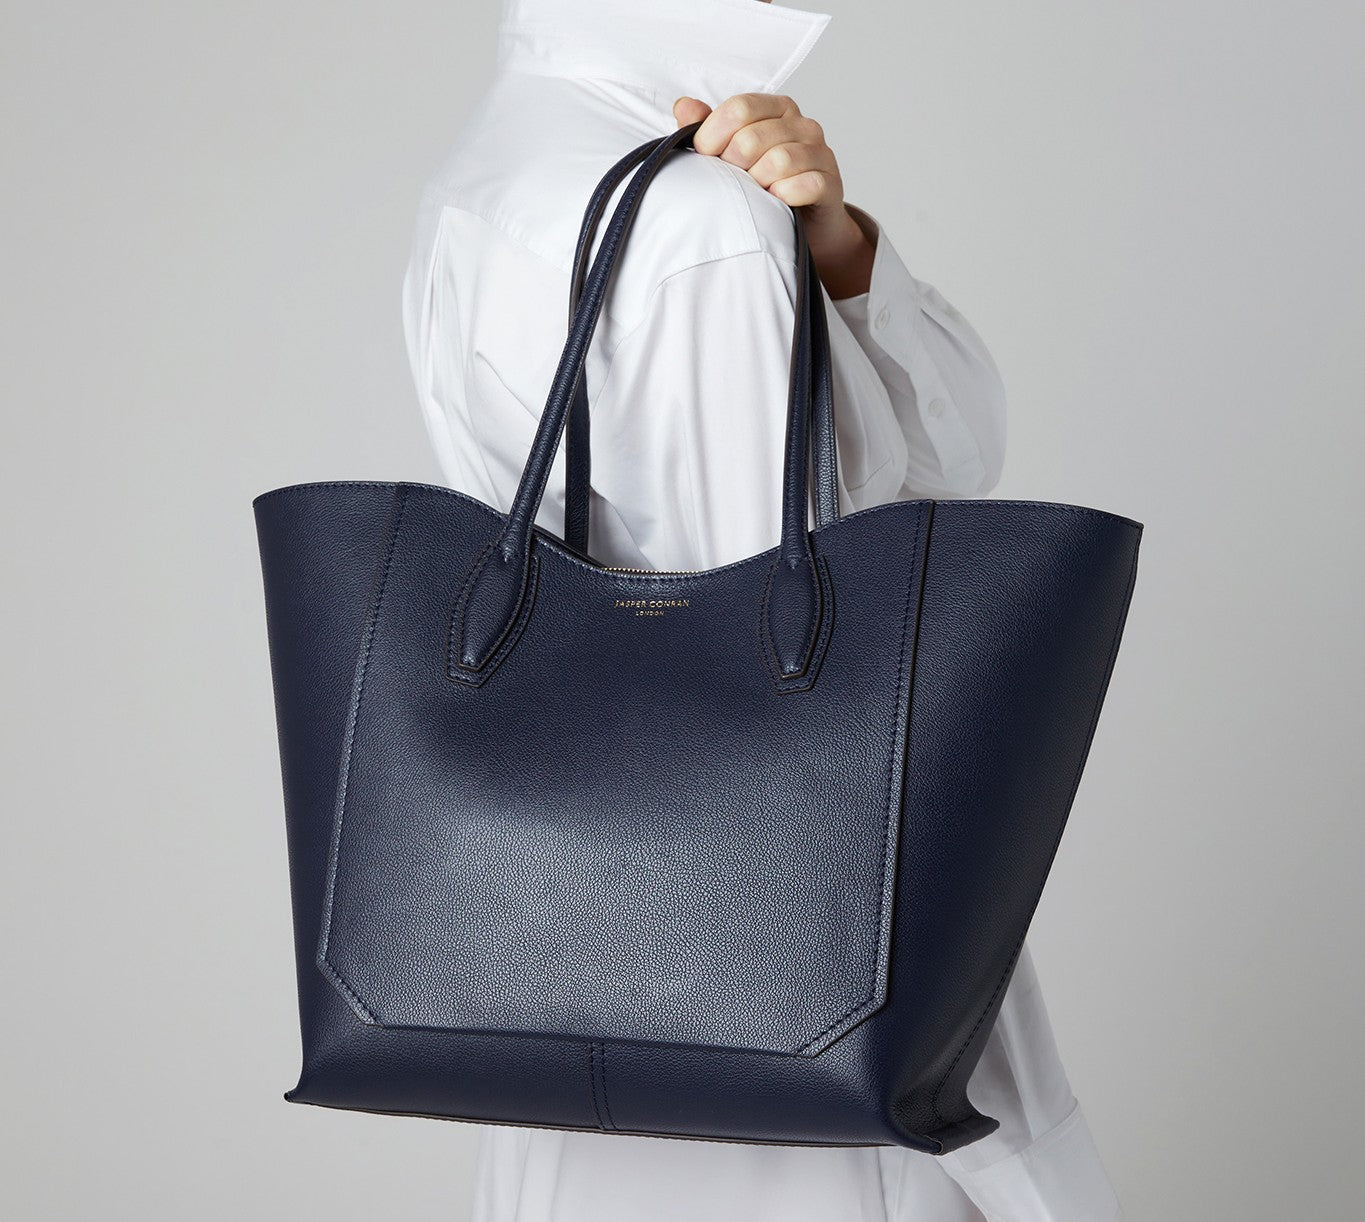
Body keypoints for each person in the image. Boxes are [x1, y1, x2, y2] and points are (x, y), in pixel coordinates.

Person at [401, 0, 1125, 1217]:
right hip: (800, 1072)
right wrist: (1012, 1153)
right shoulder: (699, 228)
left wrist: (835, 255)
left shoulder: (500, 158)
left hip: (570, 1001)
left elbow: (949, 455)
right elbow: (812, 744)